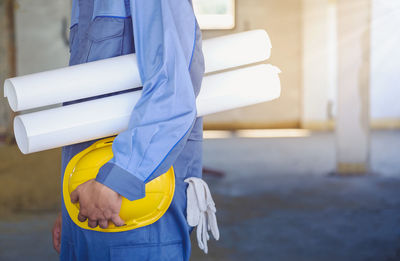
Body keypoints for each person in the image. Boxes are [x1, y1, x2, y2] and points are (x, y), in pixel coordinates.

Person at [51, 0, 205, 260]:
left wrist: (117, 180)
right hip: (92, 200)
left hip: (131, 198)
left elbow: (173, 92)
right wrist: (72, 203)